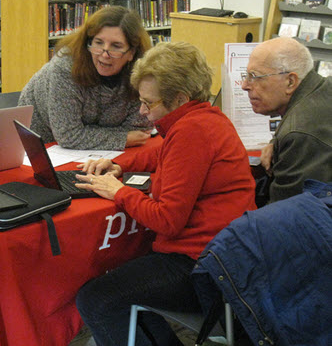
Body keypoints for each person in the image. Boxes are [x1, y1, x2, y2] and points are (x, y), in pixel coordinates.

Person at [74, 42, 257, 346]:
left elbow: (167, 220)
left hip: (203, 268)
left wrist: (119, 192)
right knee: (123, 284)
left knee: (97, 298)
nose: (143, 112)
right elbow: (163, 153)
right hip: (226, 257)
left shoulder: (191, 132)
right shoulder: (207, 118)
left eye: (149, 103)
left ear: (180, 99)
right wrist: (119, 165)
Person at [18, 5, 153, 150]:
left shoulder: (142, 73)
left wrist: (89, 135)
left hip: (103, 153)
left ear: (132, 53)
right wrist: (123, 138)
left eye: (116, 46)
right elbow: (69, 136)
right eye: (98, 43)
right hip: (43, 144)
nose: (104, 54)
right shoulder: (65, 67)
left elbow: (139, 131)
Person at [242, 36, 332, 202]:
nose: (245, 85)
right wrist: (275, 141)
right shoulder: (321, 88)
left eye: (255, 76)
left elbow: (285, 218)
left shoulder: (299, 133)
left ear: (290, 82)